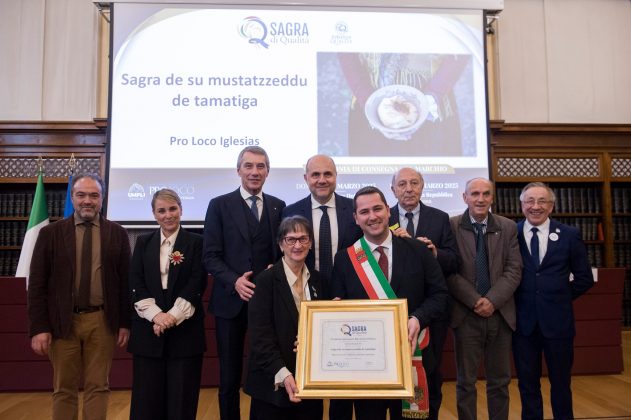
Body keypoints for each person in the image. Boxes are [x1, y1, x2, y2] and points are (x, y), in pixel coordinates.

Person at [331, 186, 448, 420]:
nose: (372, 216)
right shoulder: (345, 259)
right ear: (355, 218)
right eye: (364, 212)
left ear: (388, 211)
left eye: (377, 209)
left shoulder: (418, 250)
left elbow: (440, 295)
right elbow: (339, 307)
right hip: (367, 366)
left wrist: (418, 318)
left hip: (413, 357)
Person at [27, 173, 131, 420]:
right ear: (72, 197)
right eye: (81, 195)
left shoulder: (117, 233)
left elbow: (126, 283)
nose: (87, 200)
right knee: (64, 388)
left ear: (102, 199)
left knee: (99, 386)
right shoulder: (50, 234)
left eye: (94, 195)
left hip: (102, 321)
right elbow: (37, 285)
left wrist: (125, 323)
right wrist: (39, 327)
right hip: (62, 323)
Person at [203, 146, 286, 420]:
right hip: (230, 303)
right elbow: (210, 256)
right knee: (229, 376)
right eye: (248, 166)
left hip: (267, 303)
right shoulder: (219, 205)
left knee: (268, 369)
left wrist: (277, 267)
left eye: (260, 166)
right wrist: (235, 281)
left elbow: (283, 251)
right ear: (238, 170)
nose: (254, 172)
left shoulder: (278, 206)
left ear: (268, 172)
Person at [282, 154, 362, 420]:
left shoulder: (353, 209)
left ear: (336, 177)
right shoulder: (290, 210)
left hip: (345, 299)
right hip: (305, 297)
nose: (321, 180)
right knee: (305, 361)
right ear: (306, 178)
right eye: (315, 175)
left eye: (327, 174)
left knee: (342, 369)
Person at [513, 182, 594, 420]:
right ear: (522, 205)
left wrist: (559, 297)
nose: (535, 206)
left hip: (558, 324)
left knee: (561, 384)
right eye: (530, 201)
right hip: (523, 324)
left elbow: (584, 278)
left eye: (542, 201)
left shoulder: (569, 234)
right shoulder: (511, 233)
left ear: (551, 206)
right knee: (527, 384)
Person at [127, 188, 207, 420]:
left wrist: (172, 316)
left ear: (181, 209)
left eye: (173, 209)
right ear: (154, 214)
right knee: (146, 402)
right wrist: (156, 316)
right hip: (148, 332)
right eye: (161, 211)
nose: (168, 215)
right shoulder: (143, 242)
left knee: (181, 401)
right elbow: (136, 281)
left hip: (185, 332)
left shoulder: (197, 242)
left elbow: (196, 282)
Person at [447, 177, 522, 420]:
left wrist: (492, 301)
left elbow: (514, 269)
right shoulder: (451, 226)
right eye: (475, 194)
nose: (480, 199)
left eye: (486, 194)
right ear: (465, 197)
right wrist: (475, 301)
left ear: (492, 198)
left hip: (500, 315)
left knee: (500, 381)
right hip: (465, 315)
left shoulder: (508, 227)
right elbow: (448, 271)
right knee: (466, 382)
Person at [389, 167, 459, 420]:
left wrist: (434, 253)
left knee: (430, 374)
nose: (408, 189)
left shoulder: (440, 218)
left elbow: (454, 261)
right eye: (402, 184)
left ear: (422, 186)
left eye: (414, 183)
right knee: (393, 373)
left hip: (431, 312)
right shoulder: (382, 217)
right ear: (393, 190)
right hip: (392, 310)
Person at [245, 215, 324, 420]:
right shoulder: (265, 281)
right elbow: (260, 336)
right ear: (281, 244)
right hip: (272, 383)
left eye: (303, 239)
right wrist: (283, 373)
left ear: (310, 243)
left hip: (309, 382)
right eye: (291, 239)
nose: (298, 245)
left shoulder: (319, 280)